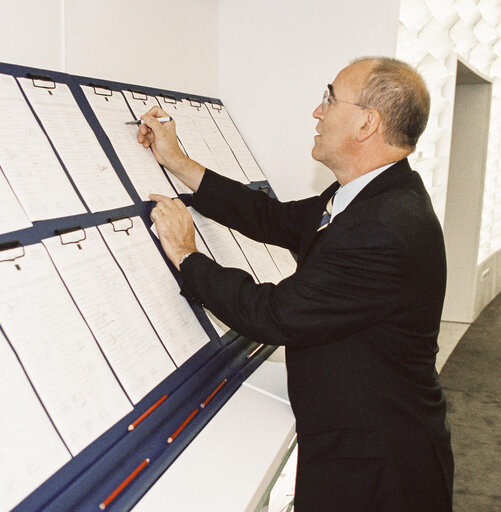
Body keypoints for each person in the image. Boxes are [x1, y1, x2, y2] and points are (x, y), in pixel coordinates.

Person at [137, 57, 454, 512]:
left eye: (329, 97)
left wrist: (187, 255)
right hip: (354, 441)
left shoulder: (385, 226)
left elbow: (274, 314)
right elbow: (270, 217)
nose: (316, 112)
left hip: (379, 468)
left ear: (368, 123)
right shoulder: (365, 195)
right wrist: (176, 160)